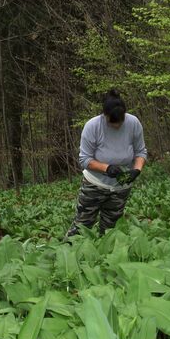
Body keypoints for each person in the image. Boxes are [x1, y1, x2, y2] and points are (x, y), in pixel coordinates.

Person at [66, 89, 147, 236]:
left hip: (121, 187)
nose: (116, 126)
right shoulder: (92, 126)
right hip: (95, 184)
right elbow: (84, 159)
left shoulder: (133, 123)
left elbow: (141, 152)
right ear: (105, 116)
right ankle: (69, 253)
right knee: (82, 226)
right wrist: (106, 168)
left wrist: (137, 170)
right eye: (112, 122)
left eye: (120, 122)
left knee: (111, 229)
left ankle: (106, 256)